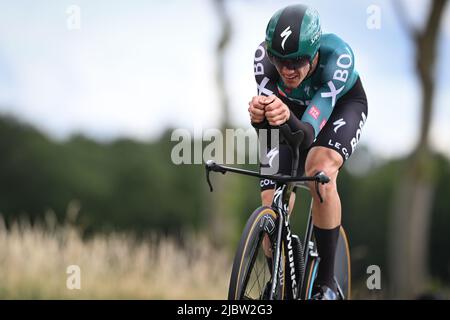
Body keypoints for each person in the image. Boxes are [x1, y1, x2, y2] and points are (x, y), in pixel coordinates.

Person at [249, 4, 368, 300]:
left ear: (314, 53)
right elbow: (271, 134)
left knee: (319, 170)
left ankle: (327, 285)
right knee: (270, 198)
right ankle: (280, 283)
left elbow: (307, 135)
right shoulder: (263, 61)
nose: (288, 71)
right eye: (281, 61)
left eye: (298, 61)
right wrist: (257, 118)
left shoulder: (337, 58)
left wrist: (284, 115)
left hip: (339, 107)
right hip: (292, 116)